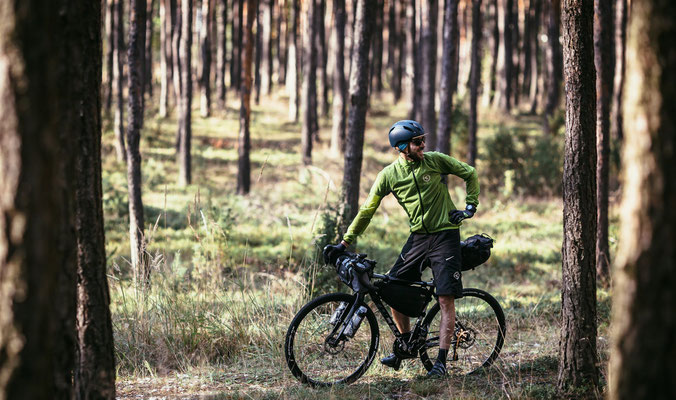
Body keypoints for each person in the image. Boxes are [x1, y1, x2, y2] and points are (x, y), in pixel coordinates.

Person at [324, 120, 480, 378]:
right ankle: (406, 345)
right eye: (417, 142)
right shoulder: (389, 175)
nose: (423, 145)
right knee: (392, 287)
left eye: (423, 140)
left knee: (444, 297)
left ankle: (440, 362)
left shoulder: (434, 160)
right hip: (418, 237)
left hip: (445, 236)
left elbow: (470, 172)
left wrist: (470, 207)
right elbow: (367, 210)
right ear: (401, 147)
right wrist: (344, 243)